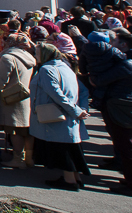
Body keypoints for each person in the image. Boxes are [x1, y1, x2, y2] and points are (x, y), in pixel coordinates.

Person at [86, 29, 132, 198]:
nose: (111, 45)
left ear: (124, 45)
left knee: (128, 147)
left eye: (114, 42)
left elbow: (98, 81)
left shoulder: (127, 65)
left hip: (121, 107)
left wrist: (93, 76)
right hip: (127, 107)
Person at [30, 42, 89, 191]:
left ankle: (70, 181)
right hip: (70, 115)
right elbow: (82, 90)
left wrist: (75, 110)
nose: (35, 56)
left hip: (57, 114)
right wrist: (81, 109)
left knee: (63, 149)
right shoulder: (66, 68)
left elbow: (56, 93)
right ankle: (76, 177)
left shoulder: (46, 69)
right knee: (72, 147)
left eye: (37, 53)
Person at [0, 32, 35, 169]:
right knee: (25, 130)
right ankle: (28, 158)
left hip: (11, 98)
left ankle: (18, 158)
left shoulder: (8, 58)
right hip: (26, 97)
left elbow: (0, 81)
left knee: (14, 129)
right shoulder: (29, 57)